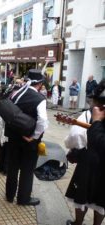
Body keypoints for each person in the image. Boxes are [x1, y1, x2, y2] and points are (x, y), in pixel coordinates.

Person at [65, 79, 105, 225]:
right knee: (101, 197)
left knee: (82, 193)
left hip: (89, 161)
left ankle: (78, 223)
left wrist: (70, 146)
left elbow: (75, 137)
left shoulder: (90, 115)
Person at [5, 69, 48, 206]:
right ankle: (23, 199)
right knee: (27, 170)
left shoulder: (16, 93)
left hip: (13, 137)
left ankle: (10, 195)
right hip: (28, 141)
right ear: (40, 84)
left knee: (12, 167)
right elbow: (42, 121)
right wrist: (34, 137)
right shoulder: (40, 99)